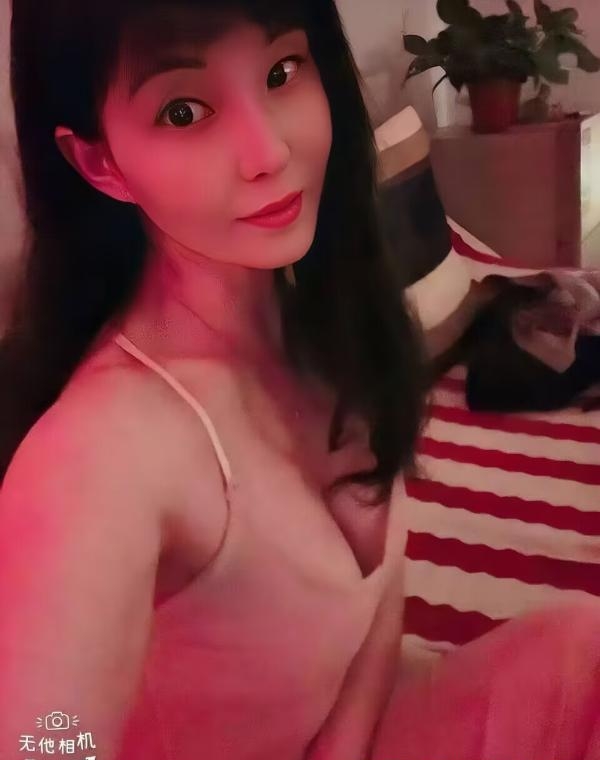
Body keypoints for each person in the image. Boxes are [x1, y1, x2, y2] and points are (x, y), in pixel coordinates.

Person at [1, 2, 600, 760]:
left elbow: (379, 602)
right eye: (184, 111)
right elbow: (46, 741)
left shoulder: (326, 317)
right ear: (100, 163)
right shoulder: (99, 464)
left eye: (283, 71)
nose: (269, 150)